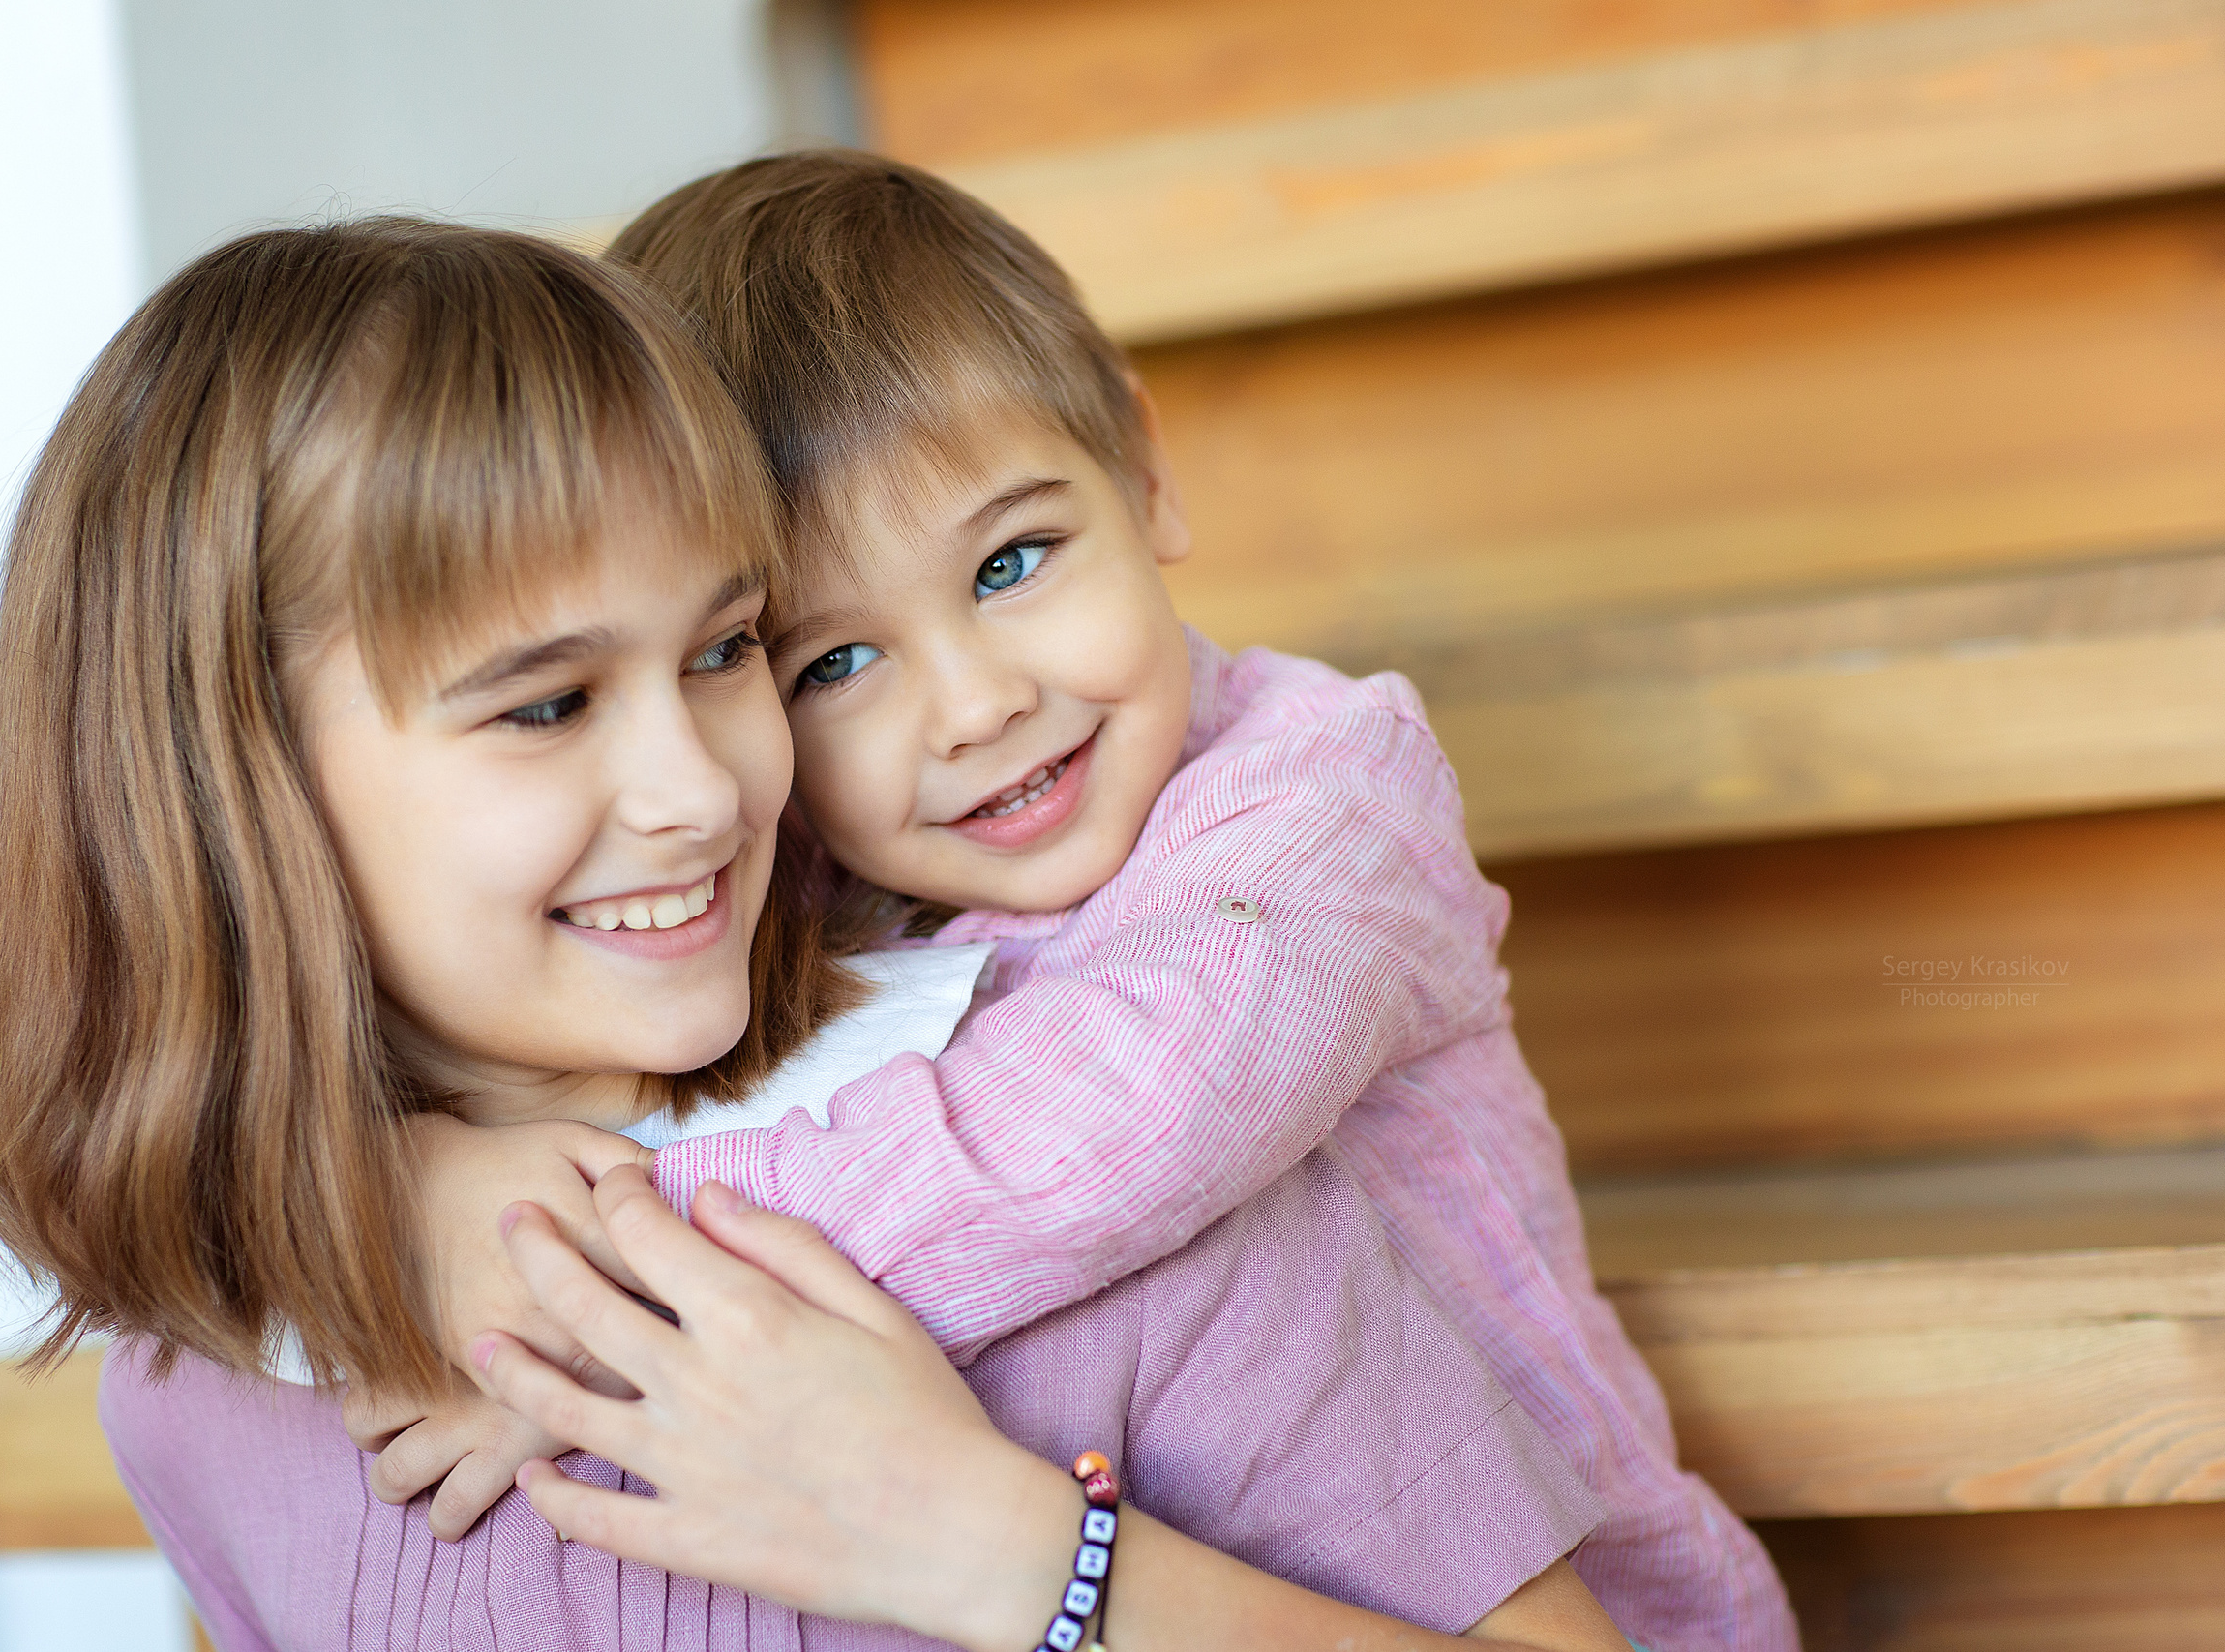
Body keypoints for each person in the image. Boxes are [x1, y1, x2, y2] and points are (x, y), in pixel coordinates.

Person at [0, 216, 1627, 1650]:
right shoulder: (202, 1386)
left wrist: (1010, 1555)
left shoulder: (1112, 1150)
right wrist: (377, 1201)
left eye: (725, 650)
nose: (707, 790)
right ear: (223, 795)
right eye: (547, 704)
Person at [384, 154, 1792, 1652]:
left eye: (1013, 560)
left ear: (1143, 467)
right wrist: (418, 1170)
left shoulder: (1324, 814)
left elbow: (1083, 1140)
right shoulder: (832, 880)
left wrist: (589, 1272)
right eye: (833, 665)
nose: (980, 704)